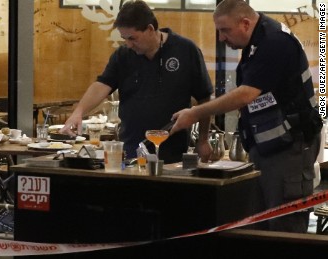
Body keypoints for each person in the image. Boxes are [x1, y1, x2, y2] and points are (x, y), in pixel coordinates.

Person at [171, 0, 322, 233]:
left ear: (245, 23)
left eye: (225, 30)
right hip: (268, 147)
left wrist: (196, 112)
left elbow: (246, 95)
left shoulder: (275, 42)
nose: (221, 38)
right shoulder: (257, 42)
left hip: (290, 148)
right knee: (260, 224)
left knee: (284, 225)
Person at [60, 0, 213, 163]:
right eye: (124, 38)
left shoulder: (185, 50)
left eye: (133, 38)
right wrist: (79, 112)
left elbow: (204, 98)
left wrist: (203, 139)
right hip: (131, 150)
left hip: (173, 153)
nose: (128, 44)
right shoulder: (123, 55)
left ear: (150, 29)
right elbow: (102, 85)